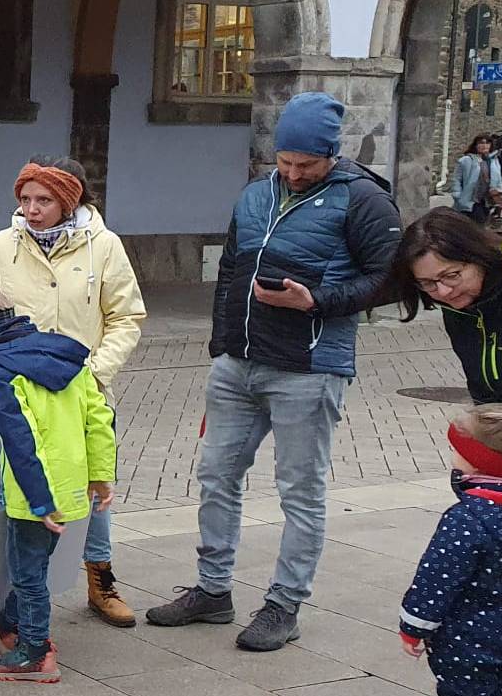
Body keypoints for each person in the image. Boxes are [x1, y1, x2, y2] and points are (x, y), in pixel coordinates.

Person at [146, 92, 402, 651]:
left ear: (332, 155)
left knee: (300, 492)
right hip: (238, 364)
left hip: (309, 368)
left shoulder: (364, 201)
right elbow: (234, 270)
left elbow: (389, 280)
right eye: (284, 162)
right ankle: (213, 591)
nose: (293, 173)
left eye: (306, 165)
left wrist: (317, 303)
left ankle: (284, 605)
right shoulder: (256, 194)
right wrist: (220, 342)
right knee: (215, 477)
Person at [0, 155, 146, 628]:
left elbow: (127, 317)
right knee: (13, 489)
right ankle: (7, 595)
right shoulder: (2, 246)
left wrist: (95, 372)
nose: (31, 209)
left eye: (43, 199)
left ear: (69, 201)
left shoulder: (103, 246)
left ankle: (100, 581)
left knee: (92, 489)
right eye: (25, 199)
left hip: (81, 393)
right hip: (19, 395)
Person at [0, 287, 116, 683]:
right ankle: (9, 620)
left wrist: (40, 502)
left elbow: (20, 439)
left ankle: (34, 651)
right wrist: (100, 475)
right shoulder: (68, 356)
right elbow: (99, 419)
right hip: (72, 486)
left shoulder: (0, 369)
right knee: (35, 563)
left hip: (35, 495)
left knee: (28, 575)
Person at [394, 404, 502, 696]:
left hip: (468, 644)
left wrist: (413, 626)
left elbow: (436, 580)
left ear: (477, 460)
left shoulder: (467, 518)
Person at [392, 208, 502, 404]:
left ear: (480, 258)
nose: (443, 292)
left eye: (451, 275)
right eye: (427, 283)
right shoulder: (461, 302)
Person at [453, 134, 502, 227]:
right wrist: (457, 195)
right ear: (475, 145)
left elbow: (498, 180)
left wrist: (501, 198)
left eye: (487, 143)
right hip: (471, 200)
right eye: (481, 143)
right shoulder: (466, 160)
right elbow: (457, 179)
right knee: (473, 225)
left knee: (485, 225)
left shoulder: (494, 161)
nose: (484, 145)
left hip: (488, 200)